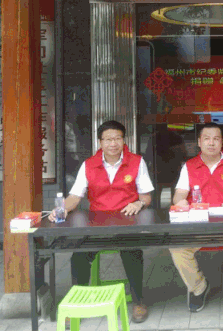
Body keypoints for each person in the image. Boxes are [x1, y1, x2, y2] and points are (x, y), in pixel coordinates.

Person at [48, 120, 153, 323]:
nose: (113, 143)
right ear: (100, 142)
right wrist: (61, 209)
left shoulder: (137, 162)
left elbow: (146, 196)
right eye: (108, 139)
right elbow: (75, 196)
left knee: (132, 253)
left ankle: (139, 302)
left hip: (127, 222)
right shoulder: (89, 164)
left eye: (117, 138)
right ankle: (76, 304)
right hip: (97, 224)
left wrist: (139, 203)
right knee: (79, 256)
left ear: (124, 140)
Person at [169, 122, 223, 318]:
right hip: (198, 226)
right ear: (199, 142)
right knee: (176, 247)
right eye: (207, 139)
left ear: (221, 142)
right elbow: (179, 194)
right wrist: (180, 201)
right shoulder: (189, 166)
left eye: (216, 139)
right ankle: (199, 287)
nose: (211, 143)